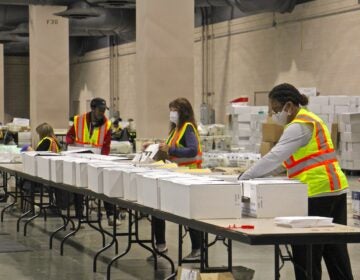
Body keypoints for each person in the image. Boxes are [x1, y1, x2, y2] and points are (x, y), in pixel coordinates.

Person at [239, 83, 353, 280]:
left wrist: (244, 177)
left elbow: (274, 157)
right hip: (335, 189)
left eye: (275, 110)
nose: (275, 115)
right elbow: (284, 163)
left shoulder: (298, 126)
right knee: (335, 251)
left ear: (289, 106)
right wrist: (260, 174)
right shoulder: (312, 120)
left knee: (306, 254)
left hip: (316, 193)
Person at [149, 97, 203, 261]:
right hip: (175, 174)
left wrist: (170, 149)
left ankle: (197, 249)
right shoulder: (175, 129)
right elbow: (171, 150)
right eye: (170, 110)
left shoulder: (187, 128)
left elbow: (192, 150)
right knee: (157, 209)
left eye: (174, 110)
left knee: (189, 214)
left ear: (183, 112)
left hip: (189, 175)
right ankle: (160, 244)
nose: (171, 114)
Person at [66, 97, 120, 226]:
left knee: (105, 185)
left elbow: (106, 145)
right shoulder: (79, 120)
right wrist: (71, 142)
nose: (102, 113)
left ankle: (111, 215)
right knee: (78, 186)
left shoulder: (107, 124)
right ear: (93, 109)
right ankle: (80, 216)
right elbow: (69, 135)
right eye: (100, 110)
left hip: (98, 160)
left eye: (104, 110)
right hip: (79, 158)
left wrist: (103, 160)